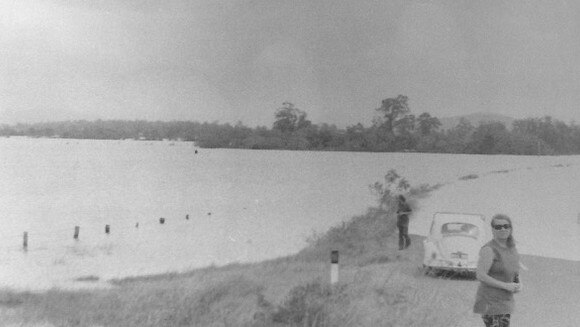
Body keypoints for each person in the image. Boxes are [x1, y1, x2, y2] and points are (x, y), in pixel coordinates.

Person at [473, 214, 522, 327]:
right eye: (498, 227)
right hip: (490, 302)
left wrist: (520, 284)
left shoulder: (511, 248)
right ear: (492, 229)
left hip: (505, 301)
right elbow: (480, 275)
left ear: (510, 228)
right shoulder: (489, 249)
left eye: (506, 226)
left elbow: (515, 270)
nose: (503, 229)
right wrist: (505, 286)